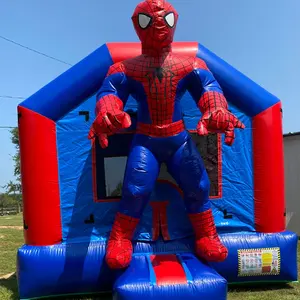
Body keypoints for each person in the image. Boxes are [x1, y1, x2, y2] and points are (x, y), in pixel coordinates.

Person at [88, 0, 245, 270]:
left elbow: (209, 88)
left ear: (174, 21)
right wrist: (108, 111)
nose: (159, 25)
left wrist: (217, 109)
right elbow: (110, 92)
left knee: (198, 186)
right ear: (138, 25)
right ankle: (121, 239)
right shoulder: (125, 68)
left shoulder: (189, 64)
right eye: (149, 20)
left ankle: (207, 235)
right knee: (136, 189)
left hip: (177, 139)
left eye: (166, 20)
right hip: (147, 140)